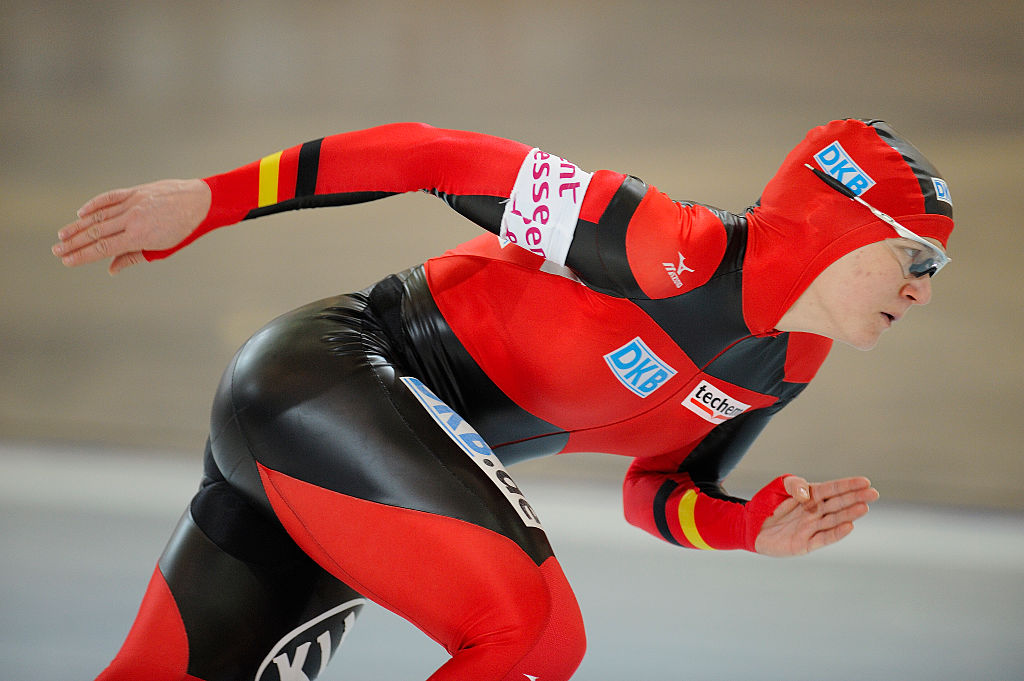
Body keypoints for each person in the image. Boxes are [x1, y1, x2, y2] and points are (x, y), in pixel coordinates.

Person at [53, 118, 953, 681]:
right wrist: (212, 199)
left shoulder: (787, 363)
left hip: (358, 455)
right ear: (841, 225)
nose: (923, 292)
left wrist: (747, 527)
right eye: (918, 259)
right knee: (529, 634)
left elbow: (659, 490)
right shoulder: (659, 244)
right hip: (329, 376)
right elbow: (429, 154)